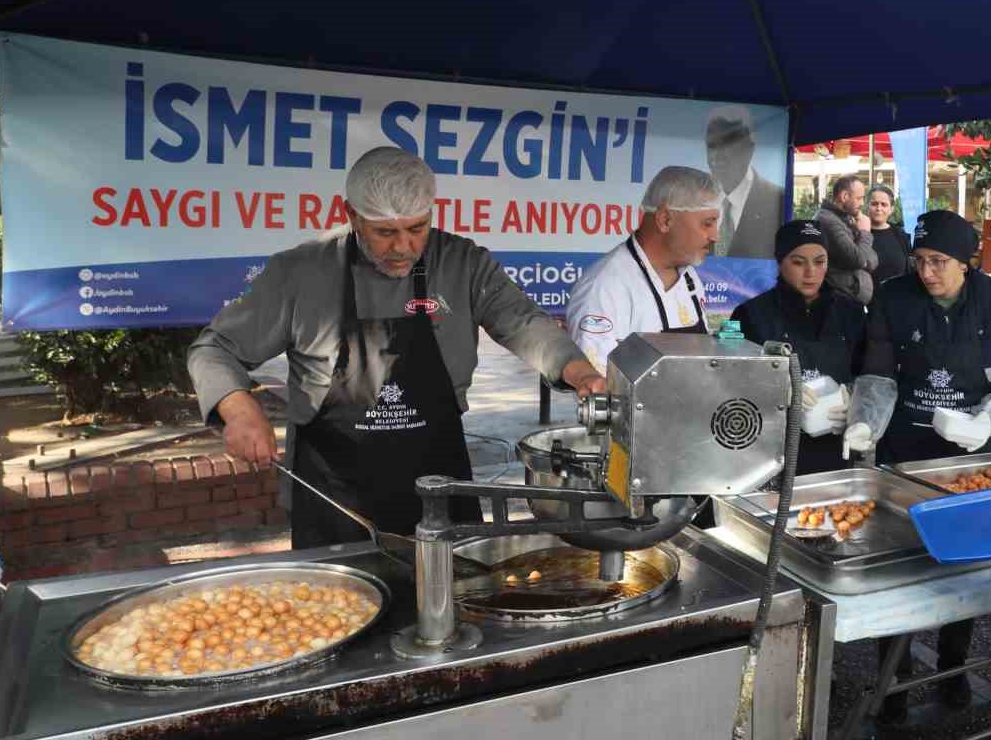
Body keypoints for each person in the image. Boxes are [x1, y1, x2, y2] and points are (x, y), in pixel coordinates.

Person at [188, 148, 605, 548]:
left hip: (439, 486)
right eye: (385, 232)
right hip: (336, 497)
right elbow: (214, 348)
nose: (403, 246)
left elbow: (525, 323)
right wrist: (237, 407)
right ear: (350, 214)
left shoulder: (463, 264)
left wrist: (578, 371)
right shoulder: (300, 272)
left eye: (417, 228)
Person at [843, 209, 991, 718]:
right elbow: (879, 374)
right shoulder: (892, 297)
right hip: (906, 451)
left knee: (962, 564)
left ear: (966, 262)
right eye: (920, 261)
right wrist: (867, 422)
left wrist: (984, 420)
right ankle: (895, 682)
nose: (926, 272)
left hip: (972, 457)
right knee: (902, 565)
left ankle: (955, 664)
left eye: (939, 262)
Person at [729, 221, 866, 474]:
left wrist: (854, 399)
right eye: (798, 262)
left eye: (819, 261)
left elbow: (869, 372)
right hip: (769, 454)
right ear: (780, 262)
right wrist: (774, 391)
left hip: (833, 447)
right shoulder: (748, 314)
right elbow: (727, 378)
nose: (810, 273)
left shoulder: (852, 312)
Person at [566, 167, 718, 372]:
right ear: (665, 220)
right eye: (707, 224)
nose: (715, 236)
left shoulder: (690, 278)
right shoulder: (604, 287)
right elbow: (598, 387)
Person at [705, 106, 783, 259]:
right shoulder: (694, 201)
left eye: (726, 145)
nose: (716, 155)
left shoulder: (778, 199)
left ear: (750, 148)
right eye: (711, 145)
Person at [814, 175, 878, 305]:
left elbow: (874, 259)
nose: (862, 204)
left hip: (851, 301)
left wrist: (864, 260)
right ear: (844, 197)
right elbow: (858, 259)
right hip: (839, 302)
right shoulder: (827, 220)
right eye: (859, 198)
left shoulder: (845, 218)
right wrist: (865, 232)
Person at [866, 184, 912, 286]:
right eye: (874, 204)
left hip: (898, 299)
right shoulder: (858, 234)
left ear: (891, 209)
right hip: (867, 300)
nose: (879, 208)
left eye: (884, 204)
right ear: (867, 206)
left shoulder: (901, 236)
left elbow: (909, 270)